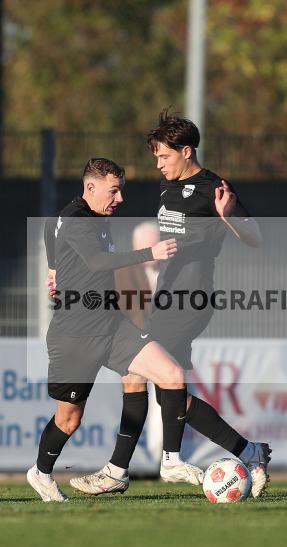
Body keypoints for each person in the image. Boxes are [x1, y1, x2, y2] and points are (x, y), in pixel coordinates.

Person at [69, 110, 272, 498]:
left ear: (186, 150)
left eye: (164, 156)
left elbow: (256, 237)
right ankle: (250, 451)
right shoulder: (166, 188)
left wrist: (230, 217)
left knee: (142, 371)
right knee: (165, 386)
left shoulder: (214, 187)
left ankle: (141, 465)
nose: (158, 164)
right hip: (166, 298)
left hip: (192, 298)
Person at [27, 157, 188, 503]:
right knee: (69, 421)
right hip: (75, 334)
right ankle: (40, 473)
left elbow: (48, 229)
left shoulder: (93, 216)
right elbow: (98, 261)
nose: (120, 199)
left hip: (112, 325)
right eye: (114, 191)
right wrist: (150, 252)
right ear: (90, 187)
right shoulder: (76, 220)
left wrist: (54, 268)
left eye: (120, 191)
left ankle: (166, 462)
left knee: (169, 372)